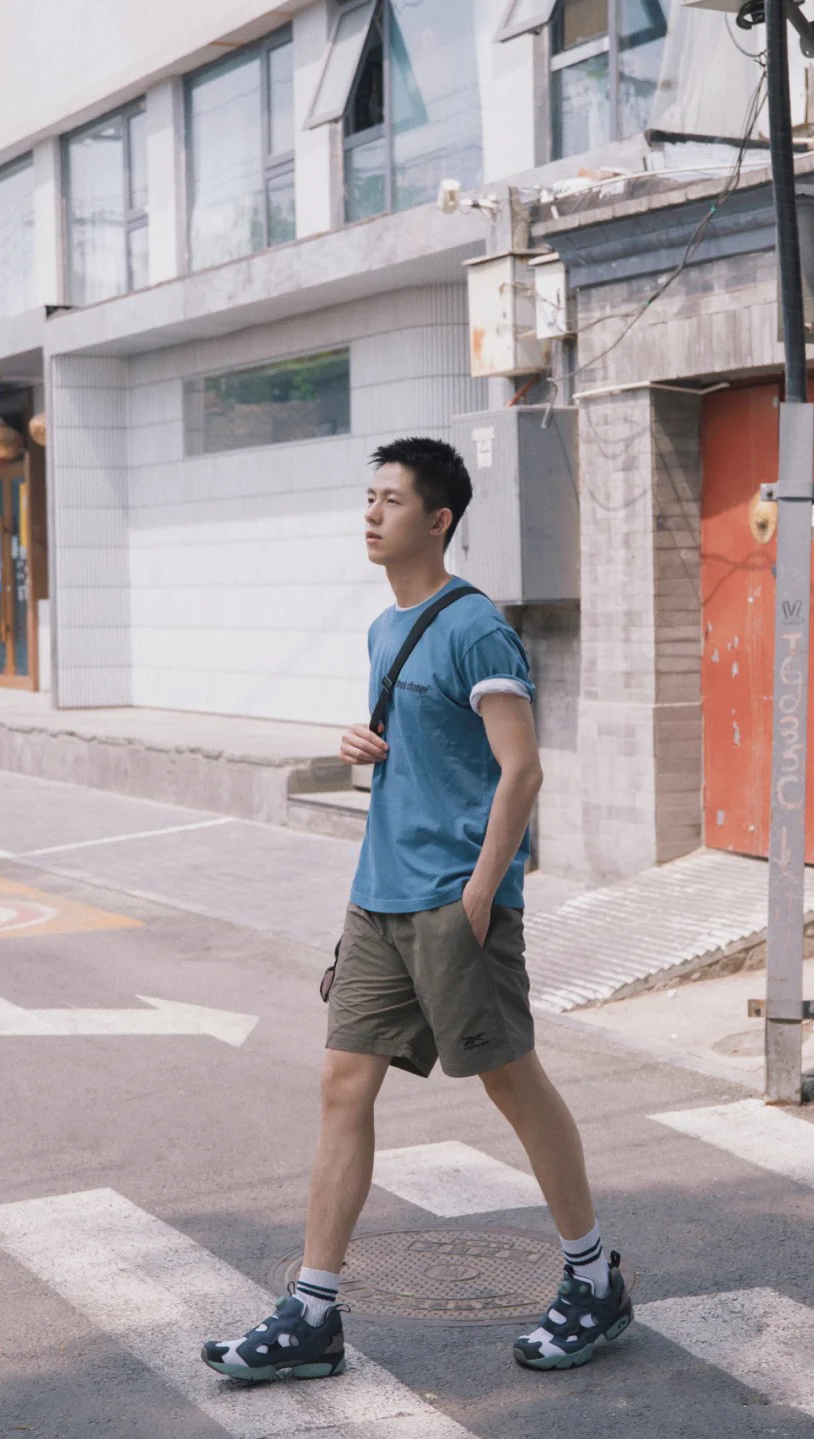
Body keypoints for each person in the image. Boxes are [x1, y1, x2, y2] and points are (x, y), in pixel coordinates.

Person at [203, 436, 630, 1382]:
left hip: (454, 903)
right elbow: (431, 752)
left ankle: (594, 1277)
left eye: (390, 500)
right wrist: (368, 746)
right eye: (369, 497)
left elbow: (522, 770)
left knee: (513, 1084)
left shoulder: (476, 628)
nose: (371, 513)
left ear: (437, 520)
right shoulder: (381, 630)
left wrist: (481, 891)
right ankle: (313, 1312)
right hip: (376, 900)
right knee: (341, 1087)